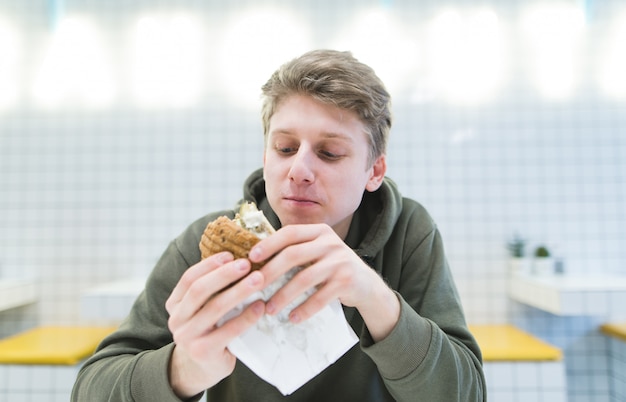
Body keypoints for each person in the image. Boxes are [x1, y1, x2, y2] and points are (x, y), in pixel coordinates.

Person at [72, 49, 486, 401]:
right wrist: (184, 369)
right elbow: (91, 387)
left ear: (374, 170)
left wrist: (377, 300)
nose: (299, 170)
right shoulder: (207, 247)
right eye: (285, 147)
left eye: (329, 153)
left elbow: (466, 392)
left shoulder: (407, 234)